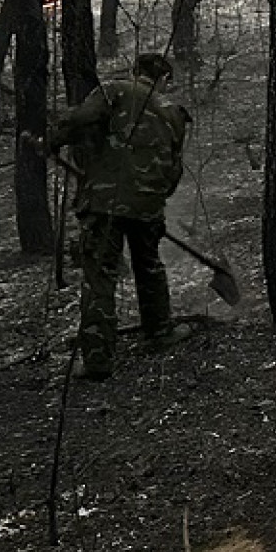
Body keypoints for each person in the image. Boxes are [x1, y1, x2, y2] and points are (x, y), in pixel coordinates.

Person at [48, 52, 194, 380]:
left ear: (135, 71)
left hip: (104, 202)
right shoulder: (173, 113)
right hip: (147, 207)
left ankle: (98, 360)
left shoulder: (113, 91)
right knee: (149, 267)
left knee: (100, 276)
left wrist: (52, 139)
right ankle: (159, 333)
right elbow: (173, 170)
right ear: (164, 79)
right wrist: (153, 196)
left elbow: (78, 120)